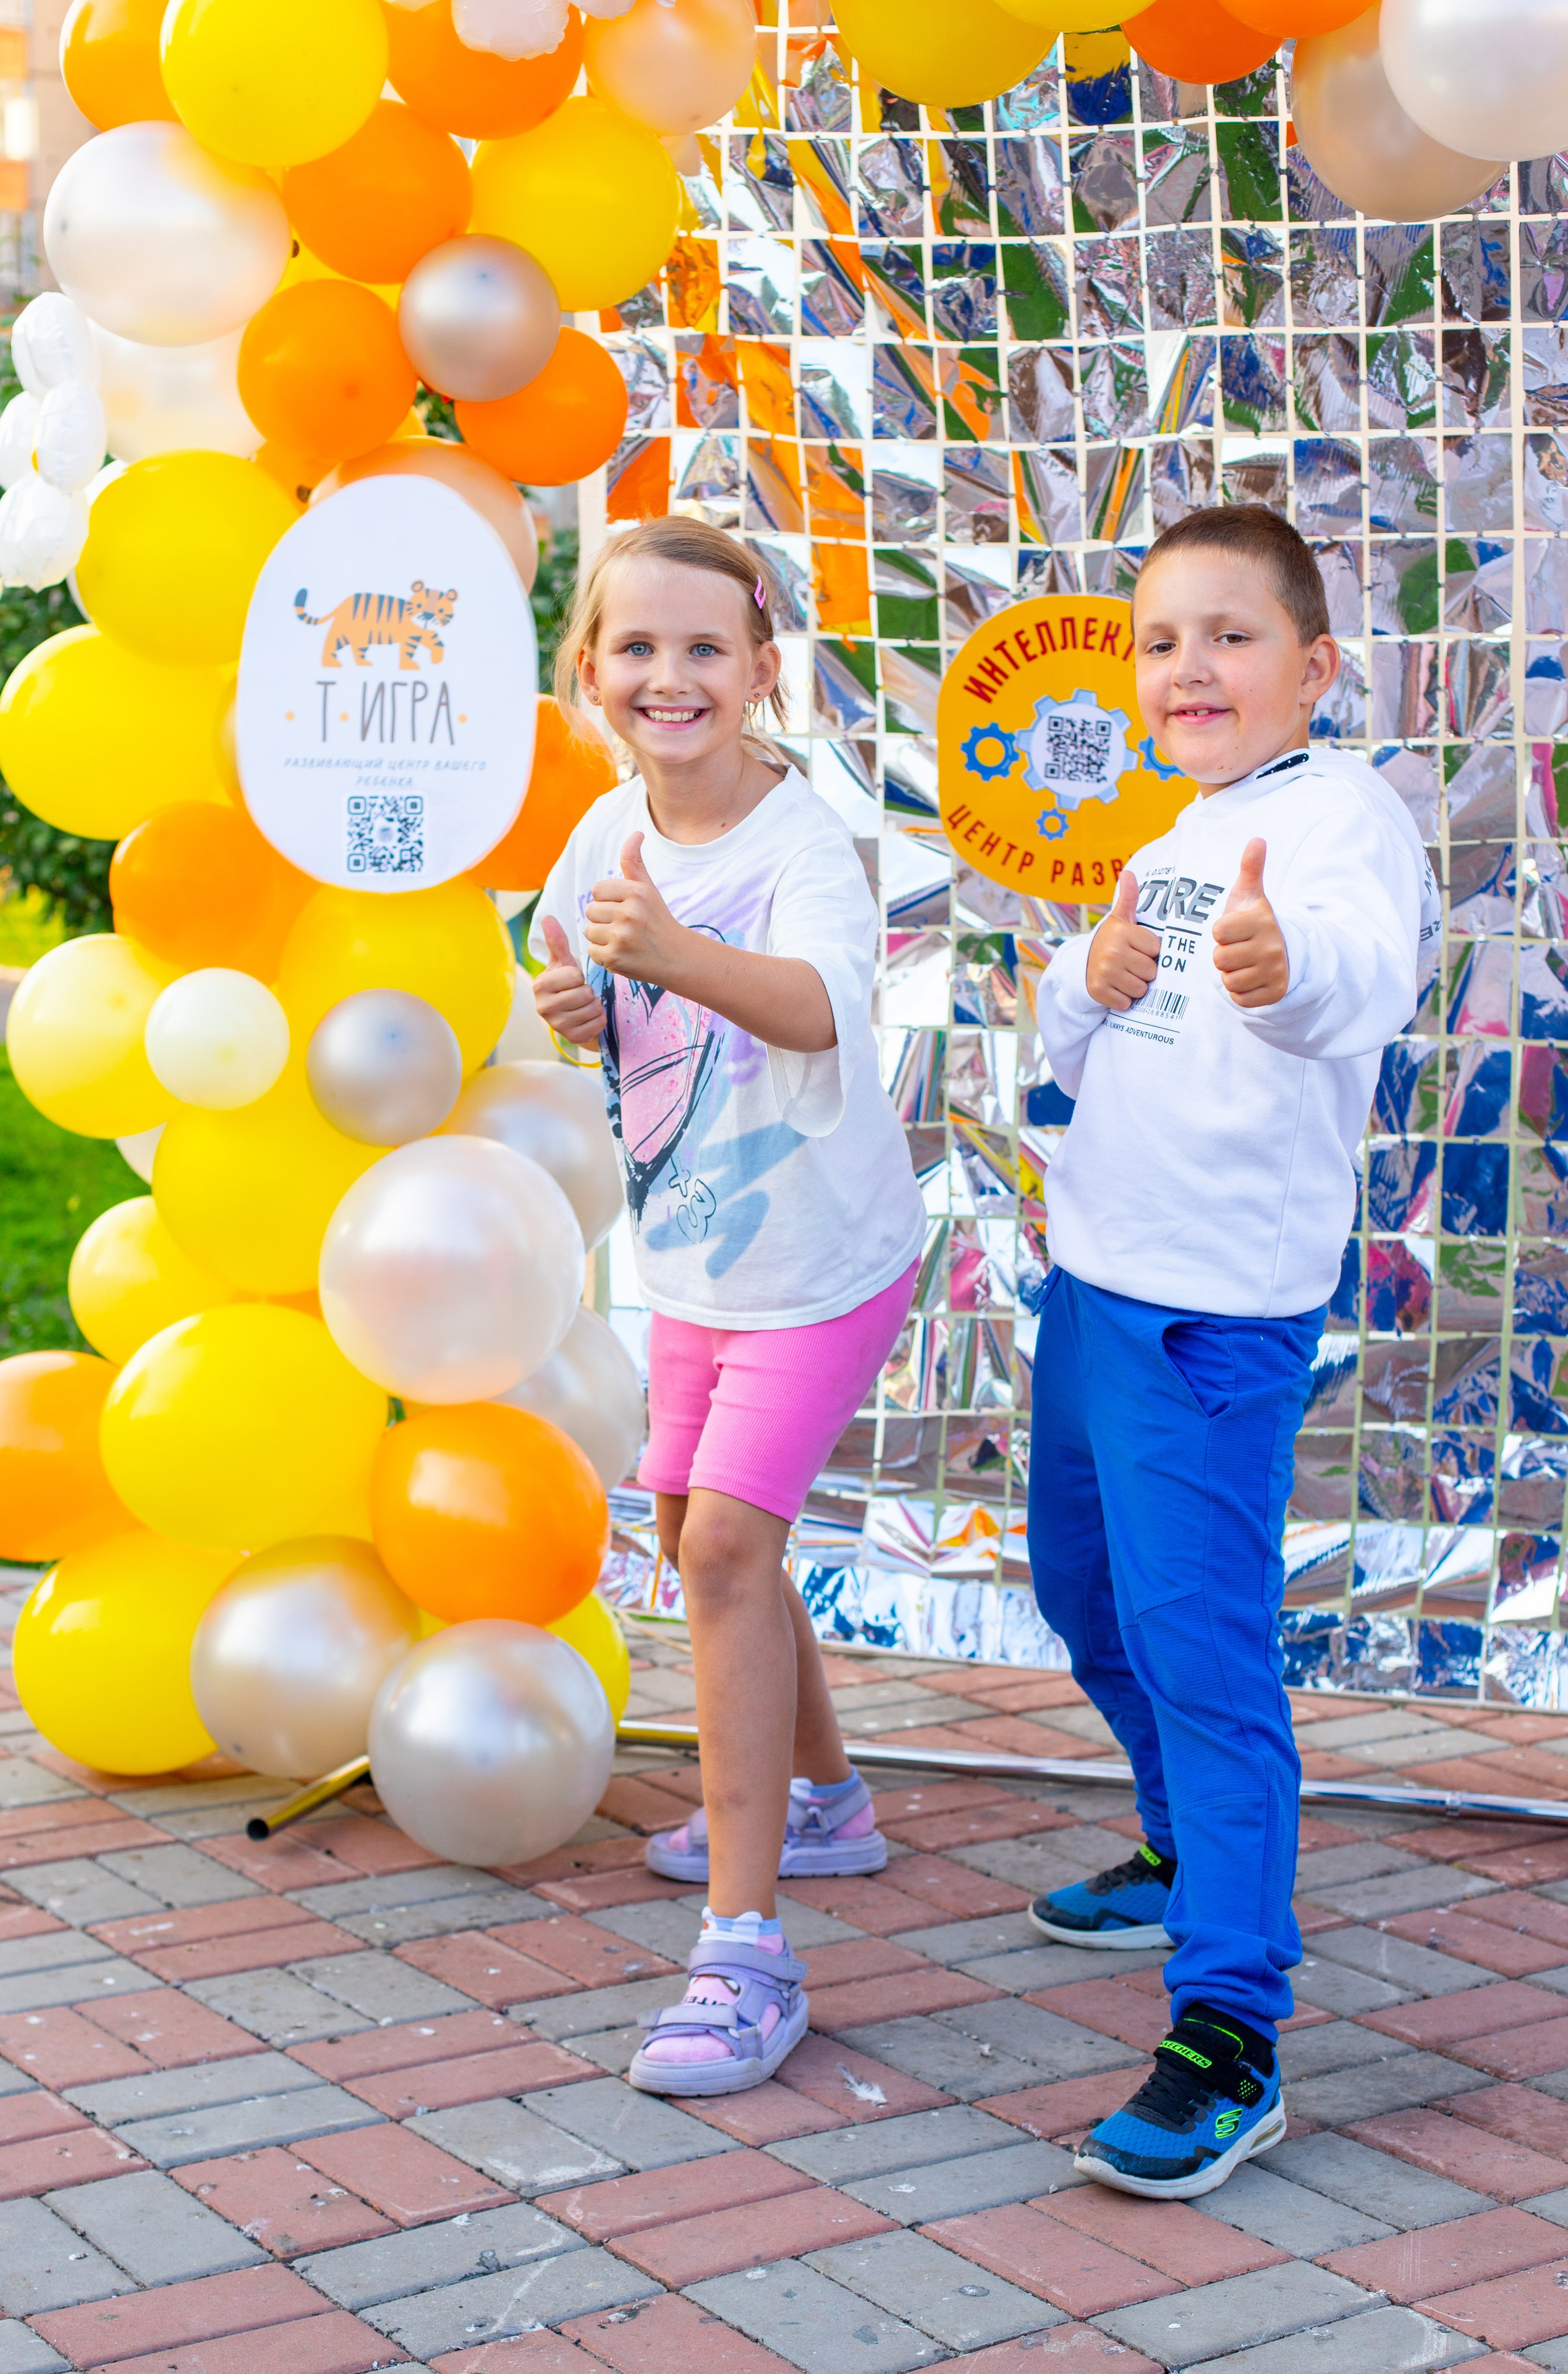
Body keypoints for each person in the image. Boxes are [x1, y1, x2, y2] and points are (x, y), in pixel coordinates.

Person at [1025, 505, 1440, 2198]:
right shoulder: (1177, 830)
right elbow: (1074, 1036)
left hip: (1212, 1314)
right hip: (1096, 1283)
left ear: (1315, 668)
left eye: (1231, 634)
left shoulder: (1338, 816)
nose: (1189, 664)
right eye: (1160, 640)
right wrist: (1088, 964)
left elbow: (1366, 976)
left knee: (1203, 1654)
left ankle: (1231, 2028)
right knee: (1081, 1594)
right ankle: (1191, 1845)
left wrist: (1282, 971)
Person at [530, 516, 925, 2098]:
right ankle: (823, 1799)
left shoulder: (797, 841)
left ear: (762, 670)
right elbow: (595, 998)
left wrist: (679, 955)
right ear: (589, 674)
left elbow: (827, 1009)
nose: (670, 675)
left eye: (706, 648)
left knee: (716, 1551)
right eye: (636, 647)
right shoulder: (598, 839)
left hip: (822, 1263)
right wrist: (582, 1006)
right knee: (711, 1521)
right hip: (694, 1258)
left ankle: (745, 1949)